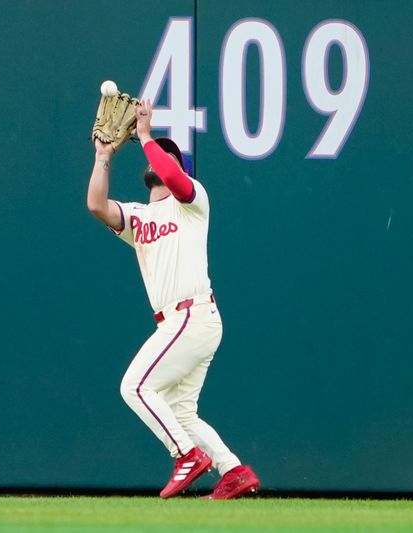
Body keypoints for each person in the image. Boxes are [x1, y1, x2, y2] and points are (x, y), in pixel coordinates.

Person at [86, 99, 260, 499]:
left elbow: (173, 175)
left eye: (170, 155)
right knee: (182, 411)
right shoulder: (138, 218)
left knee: (135, 387)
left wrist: (146, 136)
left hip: (191, 314)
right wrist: (102, 156)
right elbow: (96, 204)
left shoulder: (192, 202)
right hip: (183, 323)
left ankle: (185, 454)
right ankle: (233, 471)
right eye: (157, 152)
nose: (161, 158)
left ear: (180, 168)